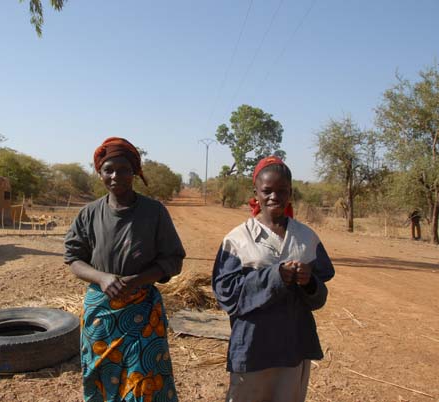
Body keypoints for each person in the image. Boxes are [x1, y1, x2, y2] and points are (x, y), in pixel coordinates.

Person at [64, 137, 185, 402]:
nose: (116, 175)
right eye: (109, 170)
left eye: (123, 170)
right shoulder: (89, 214)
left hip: (143, 313)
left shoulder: (154, 212)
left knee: (144, 382)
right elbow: (73, 258)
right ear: (100, 174)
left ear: (135, 173)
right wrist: (102, 277)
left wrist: (138, 280)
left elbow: (173, 259)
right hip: (100, 313)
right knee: (101, 379)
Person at [212, 156, 335, 402]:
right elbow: (226, 294)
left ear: (290, 192)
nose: (274, 197)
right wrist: (274, 276)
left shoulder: (306, 238)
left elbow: (319, 295)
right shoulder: (237, 239)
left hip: (294, 344)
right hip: (253, 345)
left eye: (282, 191)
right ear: (255, 192)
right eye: (267, 191)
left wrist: (309, 282)